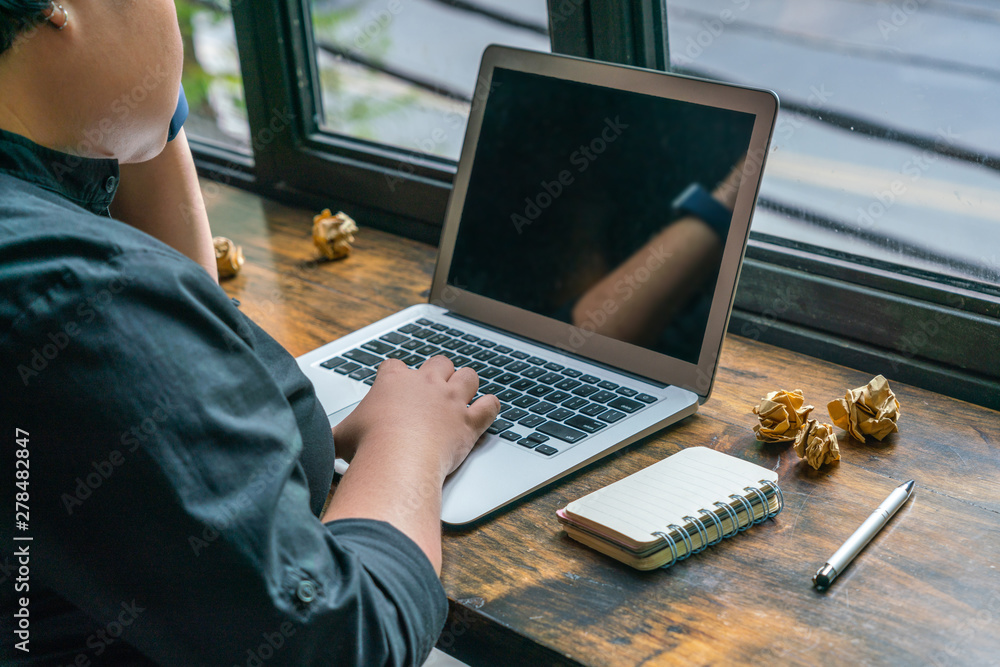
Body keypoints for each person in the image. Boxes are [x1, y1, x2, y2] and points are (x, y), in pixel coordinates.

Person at [0, 1, 499, 665]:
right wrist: (408, 441)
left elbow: (185, 360)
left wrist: (134, 106)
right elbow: (349, 642)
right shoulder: (73, 296)